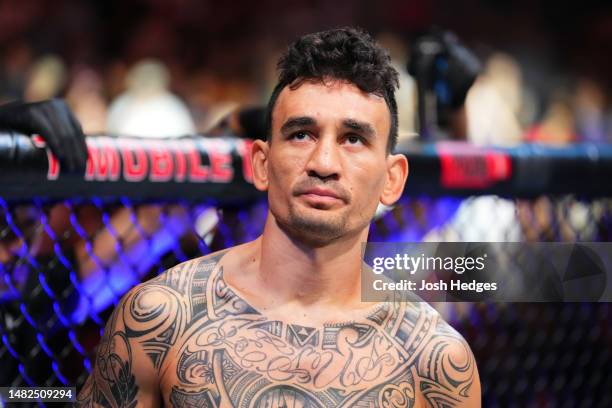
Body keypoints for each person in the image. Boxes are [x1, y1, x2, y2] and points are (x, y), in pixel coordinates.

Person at [77, 27, 481, 407]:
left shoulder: (434, 359)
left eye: (353, 139)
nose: (323, 163)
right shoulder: (159, 317)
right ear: (261, 164)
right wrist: (223, 135)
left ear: (392, 180)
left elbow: (427, 209)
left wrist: (451, 118)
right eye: (300, 135)